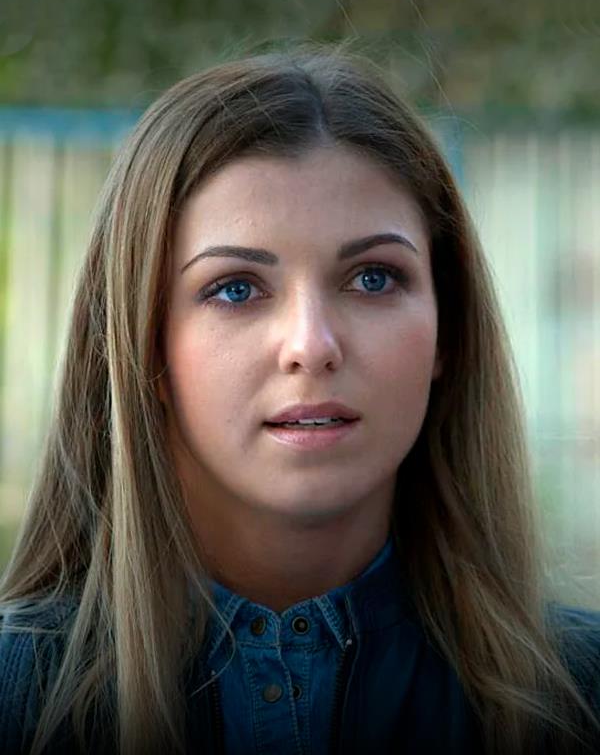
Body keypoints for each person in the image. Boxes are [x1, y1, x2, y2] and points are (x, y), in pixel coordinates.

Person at [0, 45, 599, 755]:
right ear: (143, 346)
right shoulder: (14, 698)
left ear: (450, 331)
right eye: (236, 288)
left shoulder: (579, 699)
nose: (311, 346)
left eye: (373, 278)